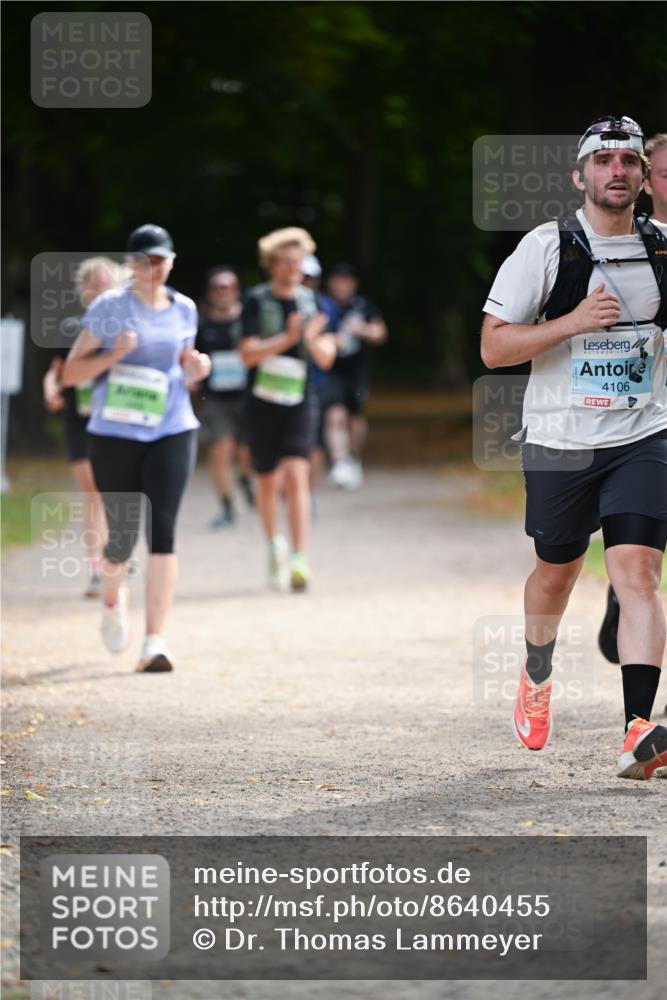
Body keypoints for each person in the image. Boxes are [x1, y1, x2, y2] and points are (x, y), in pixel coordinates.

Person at [481, 116, 667, 780]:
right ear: (579, 176)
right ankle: (536, 672)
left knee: (637, 573)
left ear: (643, 179)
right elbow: (493, 346)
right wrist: (572, 323)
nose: (614, 170)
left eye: (627, 161)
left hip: (641, 436)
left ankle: (638, 729)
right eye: (602, 160)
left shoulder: (661, 250)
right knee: (556, 573)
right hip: (559, 441)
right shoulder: (544, 247)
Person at [62, 224, 211, 673]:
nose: (155, 268)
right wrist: (112, 355)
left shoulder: (184, 308)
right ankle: (112, 600)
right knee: (122, 540)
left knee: (163, 531)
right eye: (145, 260)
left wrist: (196, 368)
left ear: (171, 261)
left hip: (172, 427)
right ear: (130, 265)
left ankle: (155, 642)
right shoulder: (110, 307)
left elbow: (185, 364)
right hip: (115, 433)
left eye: (162, 259)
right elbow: (72, 373)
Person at [598, 132, 667, 663]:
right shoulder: (635, 247)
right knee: (644, 559)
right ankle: (627, 588)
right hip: (647, 415)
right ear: (647, 183)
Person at [239, 227, 336, 591]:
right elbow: (247, 355)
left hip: (300, 398)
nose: (295, 267)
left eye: (300, 260)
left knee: (297, 472)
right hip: (262, 399)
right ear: (272, 264)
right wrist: (289, 339)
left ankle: (299, 557)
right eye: (288, 261)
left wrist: (309, 339)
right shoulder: (256, 300)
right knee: (267, 480)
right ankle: (272, 546)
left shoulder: (312, 302)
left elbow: (326, 358)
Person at [42, 257, 126, 597]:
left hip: (117, 419)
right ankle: (95, 567)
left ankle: (115, 558)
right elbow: (56, 369)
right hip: (80, 420)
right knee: (92, 492)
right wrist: (50, 388)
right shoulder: (72, 327)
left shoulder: (126, 327)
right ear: (82, 290)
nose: (98, 289)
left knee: (111, 493)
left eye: (104, 283)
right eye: (91, 283)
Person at [195, 266, 254, 528]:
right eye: (218, 287)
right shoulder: (201, 325)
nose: (223, 292)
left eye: (228, 287)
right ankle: (227, 506)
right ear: (210, 292)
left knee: (247, 453)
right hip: (215, 398)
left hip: (248, 397)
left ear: (237, 291)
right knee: (220, 450)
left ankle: (246, 478)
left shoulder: (249, 323)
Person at [320, 263, 387, 490]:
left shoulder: (363, 305)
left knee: (355, 418)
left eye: (346, 280)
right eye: (337, 280)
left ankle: (353, 458)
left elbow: (380, 333)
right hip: (330, 371)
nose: (341, 285)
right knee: (334, 414)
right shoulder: (322, 306)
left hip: (357, 371)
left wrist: (362, 330)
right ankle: (339, 463)